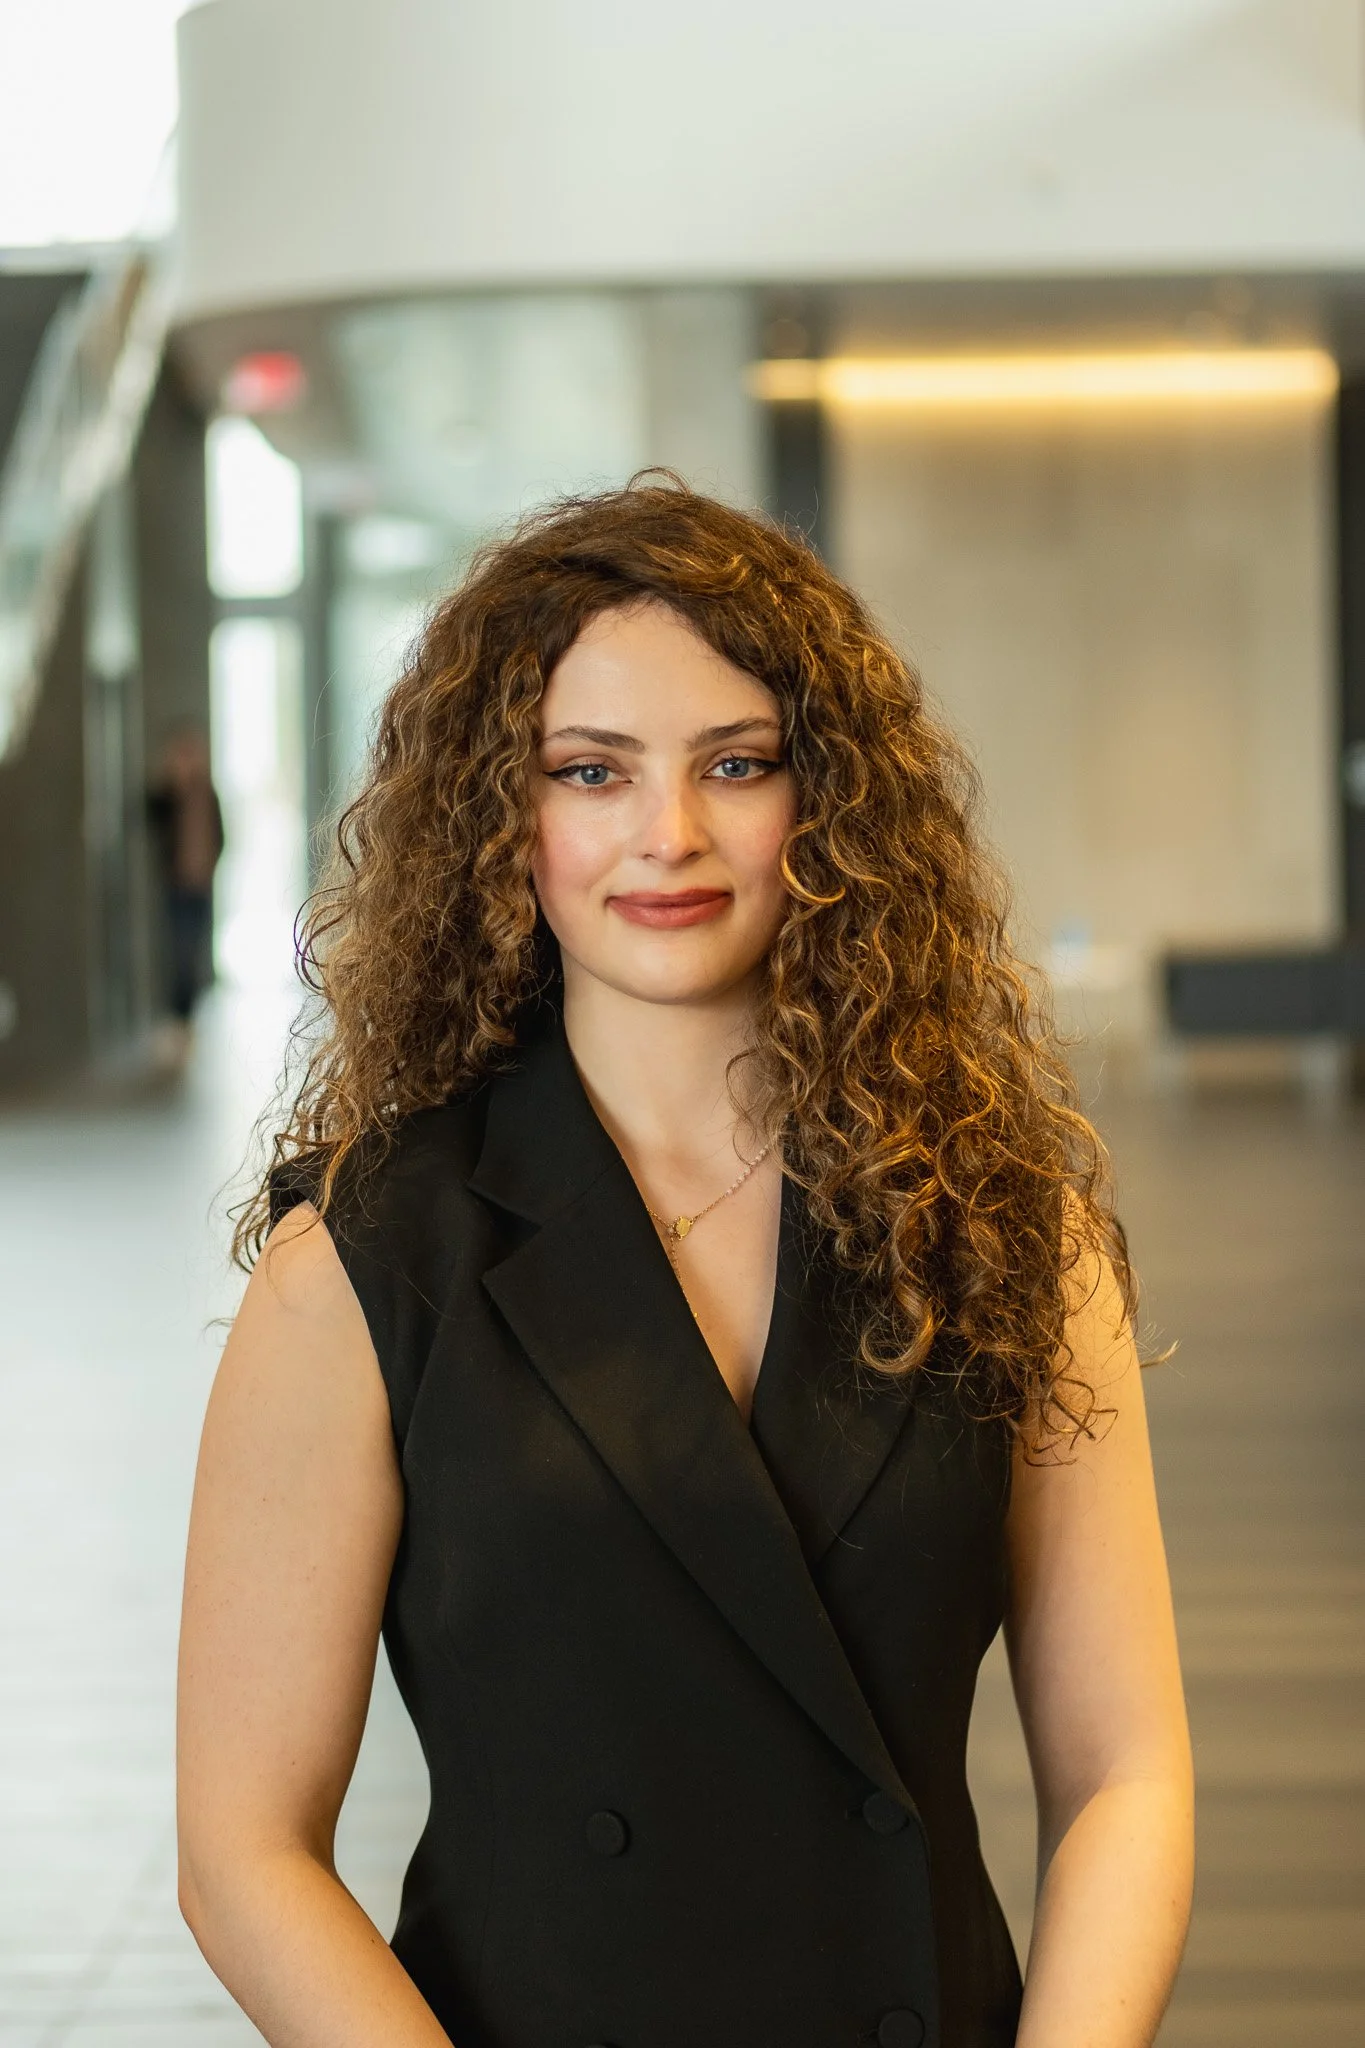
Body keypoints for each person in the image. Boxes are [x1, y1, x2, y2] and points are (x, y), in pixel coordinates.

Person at [177, 480, 1193, 2048]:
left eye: (738, 763)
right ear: (504, 820)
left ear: (832, 805)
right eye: (593, 772)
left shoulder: (1002, 1230)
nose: (670, 835)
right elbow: (244, 1854)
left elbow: (1126, 1772)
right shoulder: (367, 1262)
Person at [146, 725, 224, 1049]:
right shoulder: (169, 794)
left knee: (193, 950)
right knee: (180, 951)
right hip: (177, 885)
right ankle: (180, 1019)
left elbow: (219, 835)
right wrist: (170, 784)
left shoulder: (207, 792)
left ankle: (186, 1018)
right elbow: (151, 816)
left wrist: (209, 868)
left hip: (201, 885)